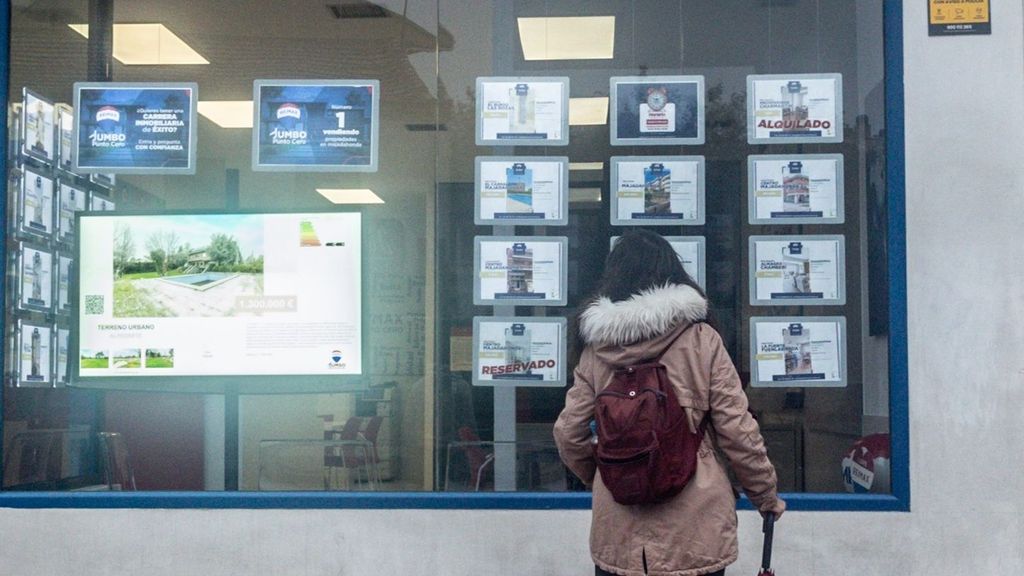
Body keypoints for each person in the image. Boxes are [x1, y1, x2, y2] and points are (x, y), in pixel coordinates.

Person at [554, 229, 786, 576]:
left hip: (619, 534)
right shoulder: (702, 341)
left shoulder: (595, 352)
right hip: (695, 532)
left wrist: (609, 472)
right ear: (672, 276)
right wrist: (764, 496)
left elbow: (568, 434)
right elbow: (738, 431)